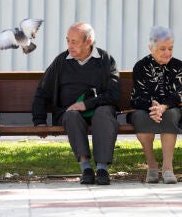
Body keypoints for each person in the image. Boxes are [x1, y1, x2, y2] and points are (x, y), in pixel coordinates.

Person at [32, 22, 120, 185]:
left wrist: (87, 104)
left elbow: (114, 94)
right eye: (68, 41)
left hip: (98, 109)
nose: (70, 46)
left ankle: (102, 169)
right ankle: (86, 168)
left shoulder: (105, 60)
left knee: (104, 113)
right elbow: (42, 91)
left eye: (74, 42)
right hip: (69, 113)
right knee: (71, 115)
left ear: (89, 42)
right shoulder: (61, 61)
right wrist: (39, 121)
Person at [129, 26, 182, 184]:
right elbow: (137, 96)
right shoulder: (140, 66)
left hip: (170, 108)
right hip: (146, 108)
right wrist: (153, 107)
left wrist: (163, 107)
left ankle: (168, 168)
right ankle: (152, 166)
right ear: (151, 48)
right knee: (139, 117)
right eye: (162, 49)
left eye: (170, 48)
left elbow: (177, 94)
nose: (167, 52)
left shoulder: (178, 66)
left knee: (170, 115)